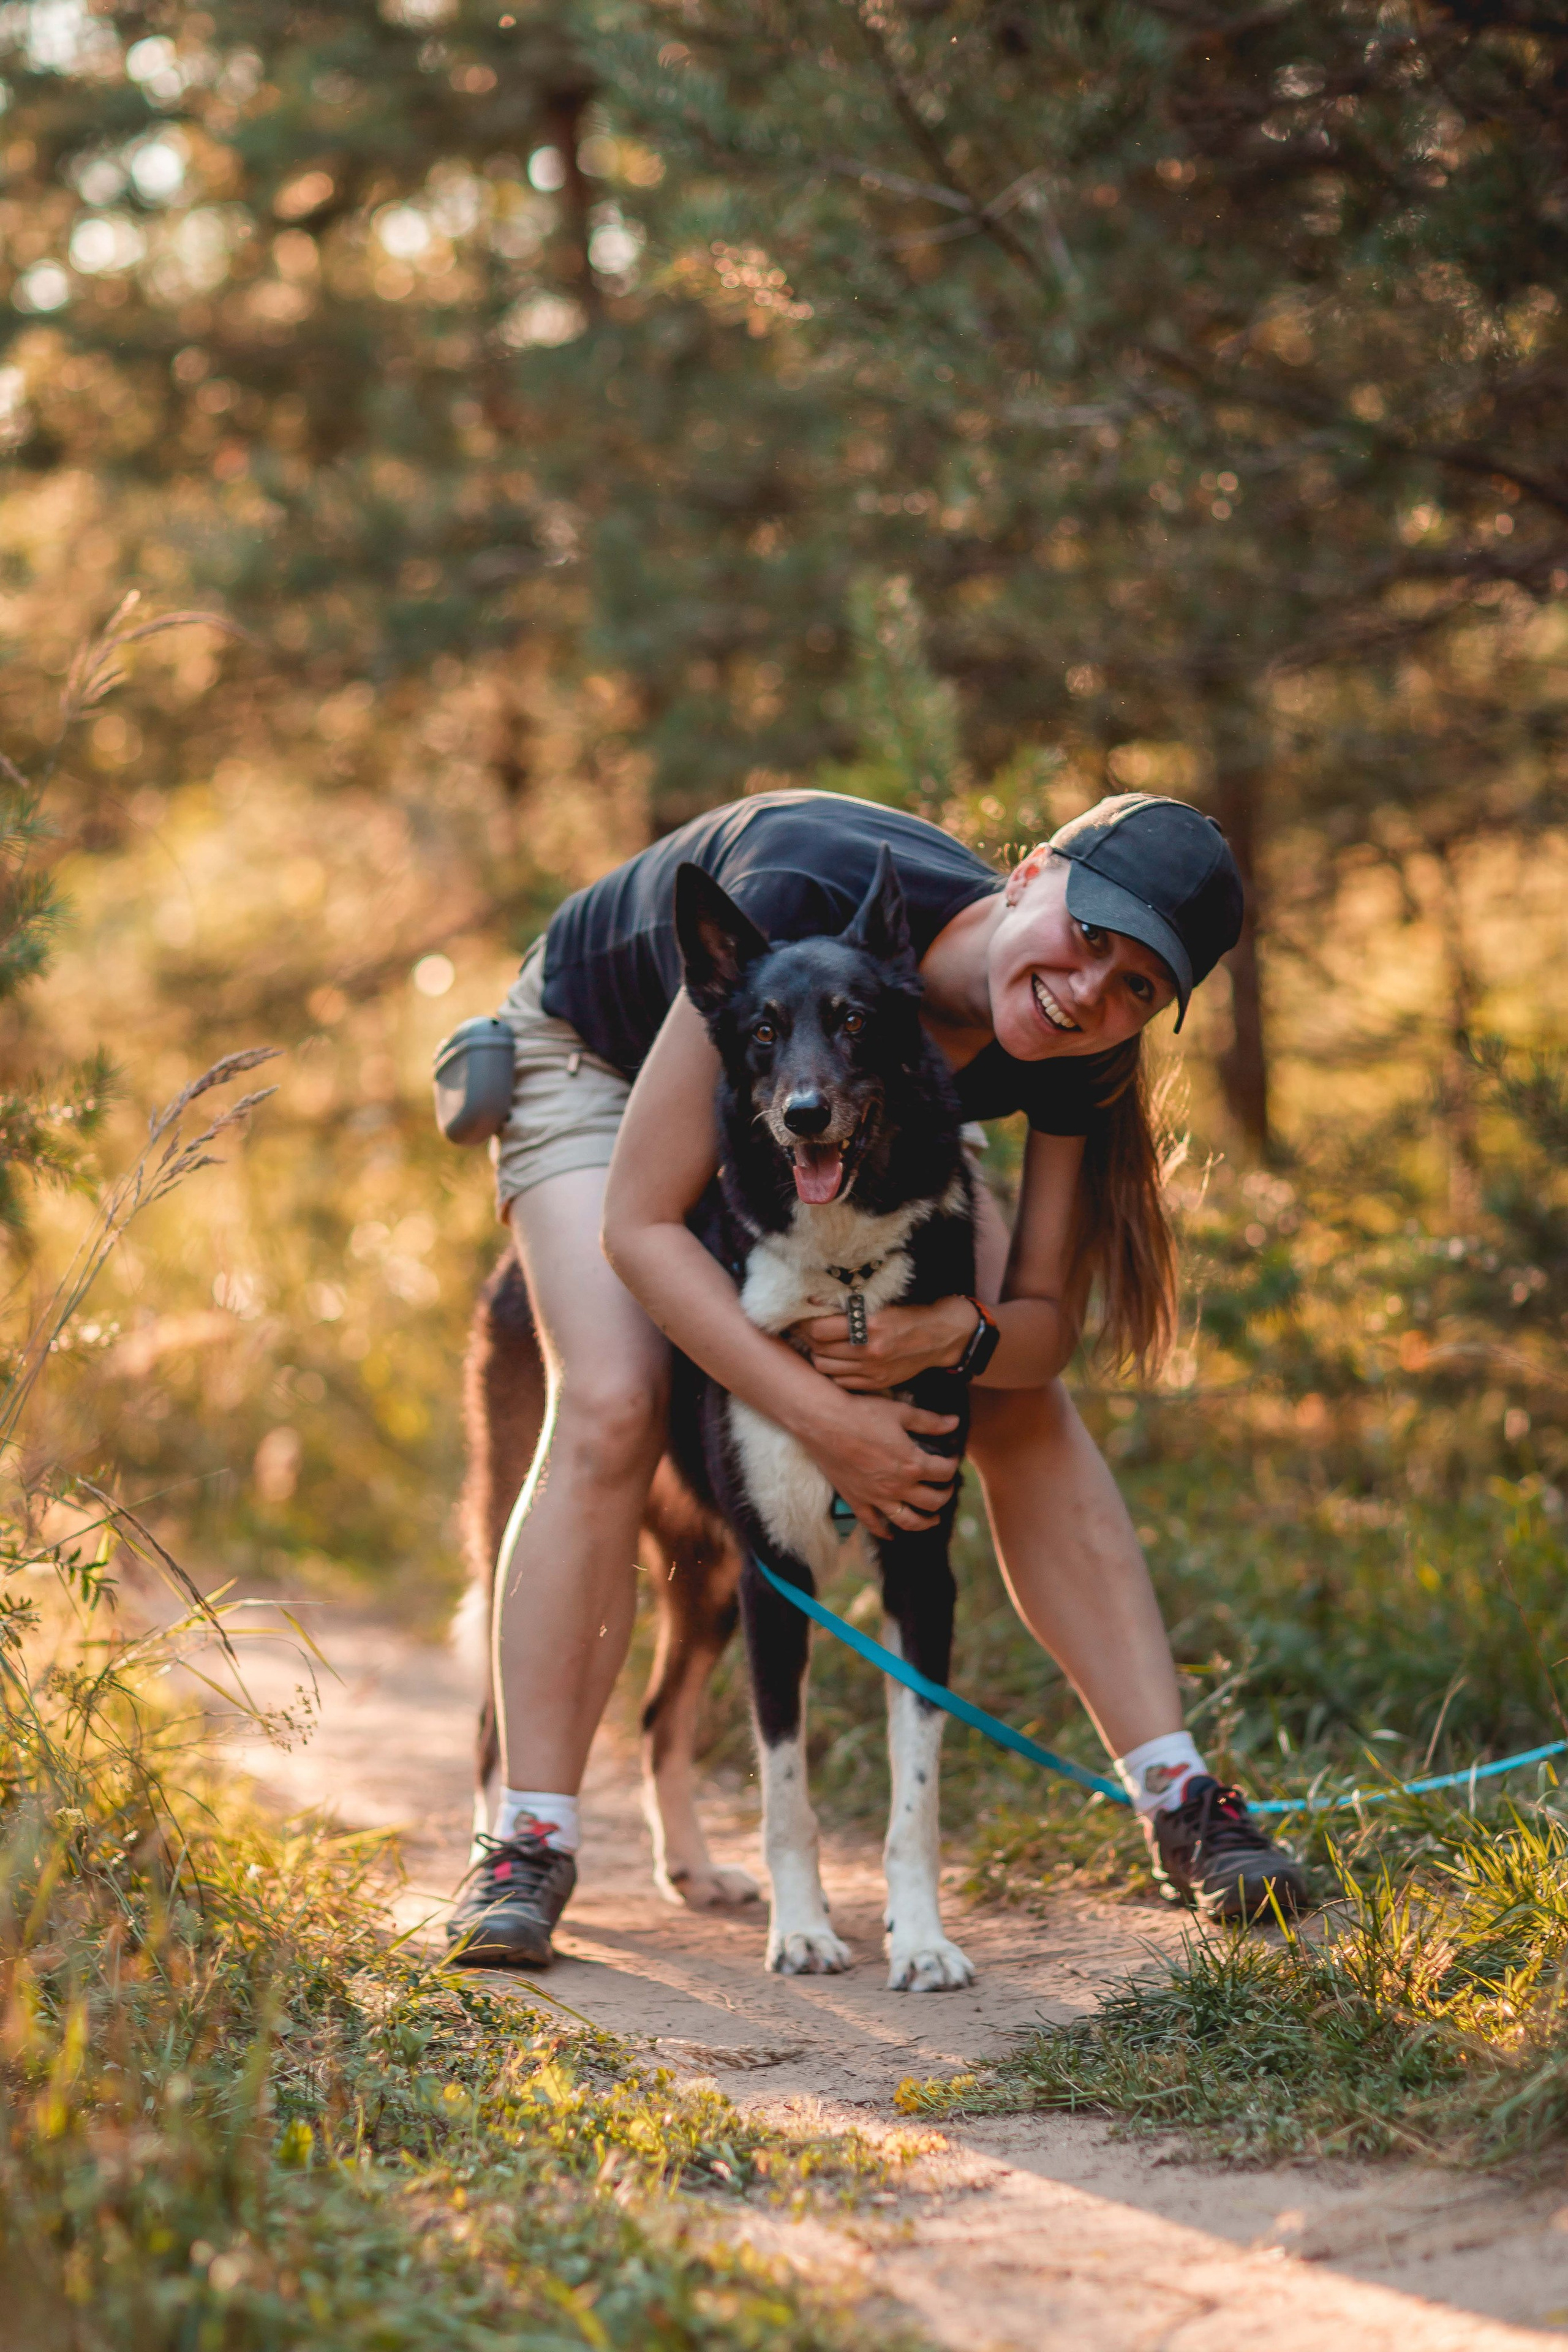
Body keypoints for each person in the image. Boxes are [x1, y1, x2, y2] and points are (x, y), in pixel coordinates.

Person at [445, 788, 1307, 1965]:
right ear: (1030, 876)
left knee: (1021, 1406)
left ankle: (1181, 1800)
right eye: (1089, 936)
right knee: (615, 1396)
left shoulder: (1072, 1045)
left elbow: (1039, 1325)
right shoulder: (796, 893)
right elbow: (642, 1227)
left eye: (1136, 989)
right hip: (605, 1065)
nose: (1088, 990)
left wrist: (958, 1338)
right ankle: (526, 1839)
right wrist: (821, 1419)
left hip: (854, 1106)